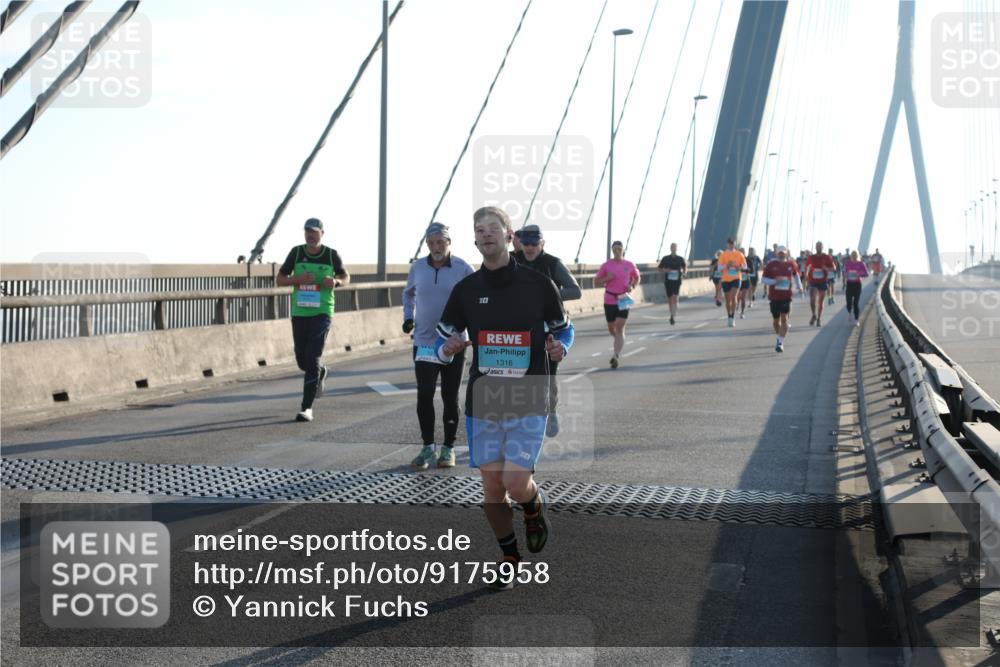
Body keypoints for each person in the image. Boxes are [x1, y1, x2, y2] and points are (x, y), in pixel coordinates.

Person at [435, 206, 575, 589]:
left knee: (515, 482)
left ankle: (532, 505)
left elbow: (564, 330)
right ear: (475, 239)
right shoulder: (466, 290)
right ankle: (509, 557)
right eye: (478, 230)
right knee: (493, 489)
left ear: (510, 235)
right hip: (485, 399)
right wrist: (447, 349)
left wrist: (560, 347)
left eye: (493, 228)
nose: (485, 234)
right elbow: (442, 340)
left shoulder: (538, 285)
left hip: (529, 395)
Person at [402, 223, 475, 470]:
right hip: (424, 341)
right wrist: (407, 317)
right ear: (427, 244)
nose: (436, 247)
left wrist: (473, 329)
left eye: (440, 242)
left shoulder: (464, 268)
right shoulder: (418, 267)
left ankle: (448, 448)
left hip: (453, 342)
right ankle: (427, 447)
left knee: (449, 396)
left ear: (448, 242)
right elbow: (407, 294)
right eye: (431, 243)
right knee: (424, 393)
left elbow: (477, 298)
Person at [276, 218, 350, 422]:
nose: (310, 235)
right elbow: (280, 279)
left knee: (312, 356)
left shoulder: (331, 254)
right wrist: (296, 280)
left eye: (314, 232)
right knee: (302, 359)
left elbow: (346, 277)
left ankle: (306, 407)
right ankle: (321, 372)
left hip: (322, 312)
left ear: (322, 234)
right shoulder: (297, 252)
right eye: (307, 231)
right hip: (300, 312)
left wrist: (335, 281)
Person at [513, 224, 581, 437]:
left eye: (534, 243)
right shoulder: (513, 261)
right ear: (520, 244)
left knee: (548, 377)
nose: (530, 248)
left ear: (542, 243)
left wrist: (550, 295)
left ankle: (550, 412)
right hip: (521, 329)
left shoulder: (553, 263)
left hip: (551, 330)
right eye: (526, 243)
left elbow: (575, 291)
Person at [595, 241, 640, 369]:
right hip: (609, 298)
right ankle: (619, 340)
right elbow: (596, 281)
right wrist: (606, 278)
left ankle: (616, 355)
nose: (617, 251)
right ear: (612, 250)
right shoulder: (606, 265)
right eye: (615, 248)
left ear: (623, 250)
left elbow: (637, 277)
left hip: (623, 298)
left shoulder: (629, 265)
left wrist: (632, 285)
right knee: (611, 328)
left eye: (619, 248)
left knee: (620, 327)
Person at [762, 245, 803, 352]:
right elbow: (764, 279)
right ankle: (779, 336)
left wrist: (800, 286)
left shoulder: (791, 264)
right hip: (774, 297)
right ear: (777, 253)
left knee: (784, 318)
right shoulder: (771, 265)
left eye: (783, 253)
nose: (781, 254)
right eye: (780, 253)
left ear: (786, 253)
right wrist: (775, 281)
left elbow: (796, 275)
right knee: (776, 322)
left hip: (786, 296)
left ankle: (780, 342)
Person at [804, 241, 836, 326]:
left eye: (820, 246)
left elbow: (833, 268)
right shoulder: (811, 257)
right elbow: (807, 266)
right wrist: (806, 275)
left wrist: (826, 268)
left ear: (822, 247)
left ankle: (819, 318)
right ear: (815, 247)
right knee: (812, 300)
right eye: (817, 246)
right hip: (813, 281)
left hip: (823, 281)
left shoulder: (827, 257)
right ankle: (814, 315)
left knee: (821, 302)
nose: (818, 247)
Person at [717, 238, 747, 327]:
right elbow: (719, 268)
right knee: (727, 300)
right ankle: (729, 316)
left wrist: (740, 268)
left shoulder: (739, 254)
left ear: (735, 245)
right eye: (730, 244)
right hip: (726, 279)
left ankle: (732, 317)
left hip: (736, 278)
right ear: (727, 245)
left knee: (734, 296)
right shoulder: (723, 255)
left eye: (733, 244)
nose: (731, 245)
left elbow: (745, 266)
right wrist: (727, 265)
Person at [657, 242, 687, 325]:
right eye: (672, 247)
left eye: (674, 247)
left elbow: (685, 267)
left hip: (677, 280)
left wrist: (684, 273)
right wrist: (665, 270)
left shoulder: (680, 259)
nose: (673, 248)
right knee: (669, 298)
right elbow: (659, 269)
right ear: (670, 248)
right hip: (668, 280)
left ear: (677, 249)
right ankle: (671, 313)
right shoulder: (665, 258)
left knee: (675, 296)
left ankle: (673, 314)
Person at [842, 250, 869, 326]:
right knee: (848, 302)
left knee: (856, 303)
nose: (853, 257)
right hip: (849, 284)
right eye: (852, 255)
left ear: (857, 256)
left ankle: (856, 320)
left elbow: (866, 274)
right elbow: (844, 272)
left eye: (855, 255)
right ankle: (850, 312)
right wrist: (846, 274)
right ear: (851, 256)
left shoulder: (861, 264)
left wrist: (859, 274)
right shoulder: (848, 264)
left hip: (857, 284)